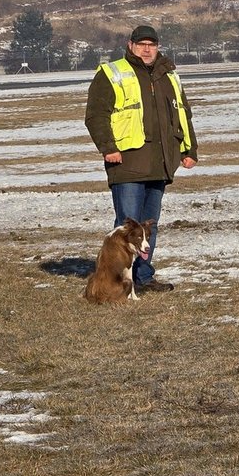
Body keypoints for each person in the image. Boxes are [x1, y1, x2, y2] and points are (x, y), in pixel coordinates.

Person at [84, 25, 198, 292]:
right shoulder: (112, 73)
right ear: (130, 45)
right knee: (127, 227)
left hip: (159, 163)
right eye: (142, 43)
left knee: (148, 228)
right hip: (127, 163)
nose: (147, 49)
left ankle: (143, 278)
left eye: (152, 44)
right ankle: (115, 282)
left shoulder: (168, 76)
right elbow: (96, 116)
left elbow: (183, 114)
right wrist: (108, 147)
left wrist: (189, 150)